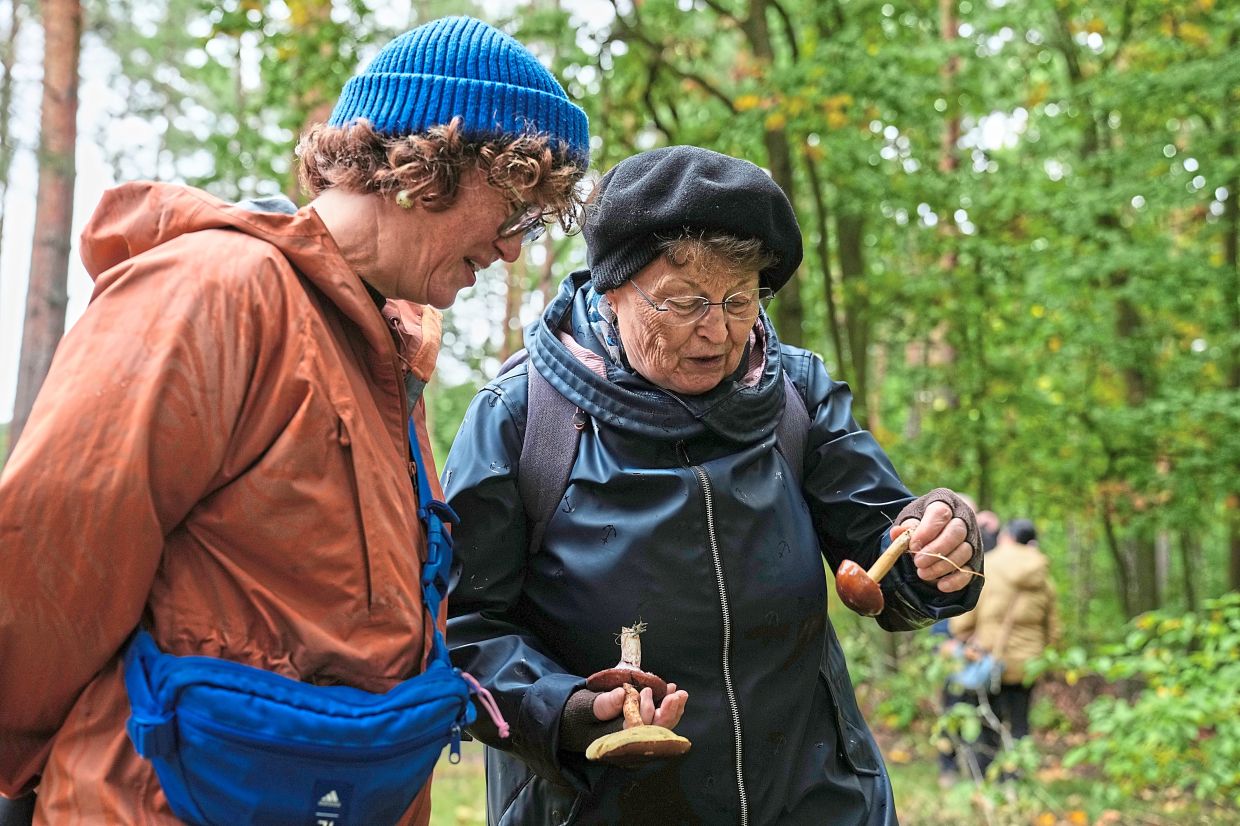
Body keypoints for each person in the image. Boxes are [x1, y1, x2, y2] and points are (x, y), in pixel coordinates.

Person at [0, 16, 588, 823]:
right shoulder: (214, 291)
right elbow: (50, 577)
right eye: (515, 208)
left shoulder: (389, 356)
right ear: (428, 166)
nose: (515, 251)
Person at [443, 145, 984, 825]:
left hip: (817, 802)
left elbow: (889, 542)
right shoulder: (523, 417)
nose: (718, 330)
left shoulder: (796, 393)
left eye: (739, 299)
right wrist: (572, 712)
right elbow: (460, 629)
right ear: (611, 288)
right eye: (685, 300)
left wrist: (941, 542)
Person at [947, 518, 1059, 780]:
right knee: (1020, 721)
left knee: (987, 720)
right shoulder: (1042, 574)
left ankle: (985, 777)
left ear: (1007, 536)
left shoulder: (990, 565)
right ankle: (1015, 777)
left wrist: (962, 635)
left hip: (990, 658)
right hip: (1028, 663)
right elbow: (1053, 627)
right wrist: (1046, 658)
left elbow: (967, 612)